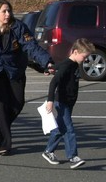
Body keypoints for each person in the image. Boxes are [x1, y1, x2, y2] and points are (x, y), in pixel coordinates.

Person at [0, 0, 54, 155]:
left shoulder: (18, 27)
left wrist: (47, 62)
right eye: (4, 11)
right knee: (1, 107)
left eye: (9, 10)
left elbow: (32, 47)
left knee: (18, 103)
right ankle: (4, 144)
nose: (8, 14)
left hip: (15, 70)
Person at [42, 38, 95, 169]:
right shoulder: (68, 65)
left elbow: (57, 67)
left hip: (69, 102)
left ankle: (48, 151)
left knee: (61, 128)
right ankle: (73, 157)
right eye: (84, 56)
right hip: (62, 102)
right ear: (76, 52)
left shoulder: (71, 64)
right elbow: (54, 82)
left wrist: (50, 69)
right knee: (69, 129)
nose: (85, 59)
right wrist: (50, 101)